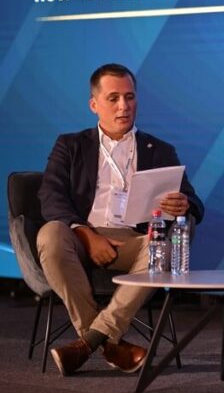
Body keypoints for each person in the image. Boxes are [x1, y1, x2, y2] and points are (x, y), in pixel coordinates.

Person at [38, 63, 204, 376]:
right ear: (94, 104)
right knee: (50, 234)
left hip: (135, 243)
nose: (123, 106)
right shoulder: (70, 145)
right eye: (113, 98)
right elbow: (50, 197)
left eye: (130, 97)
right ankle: (108, 342)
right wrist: (87, 235)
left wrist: (185, 204)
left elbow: (195, 202)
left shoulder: (159, 150)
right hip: (82, 240)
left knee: (161, 246)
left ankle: (90, 341)